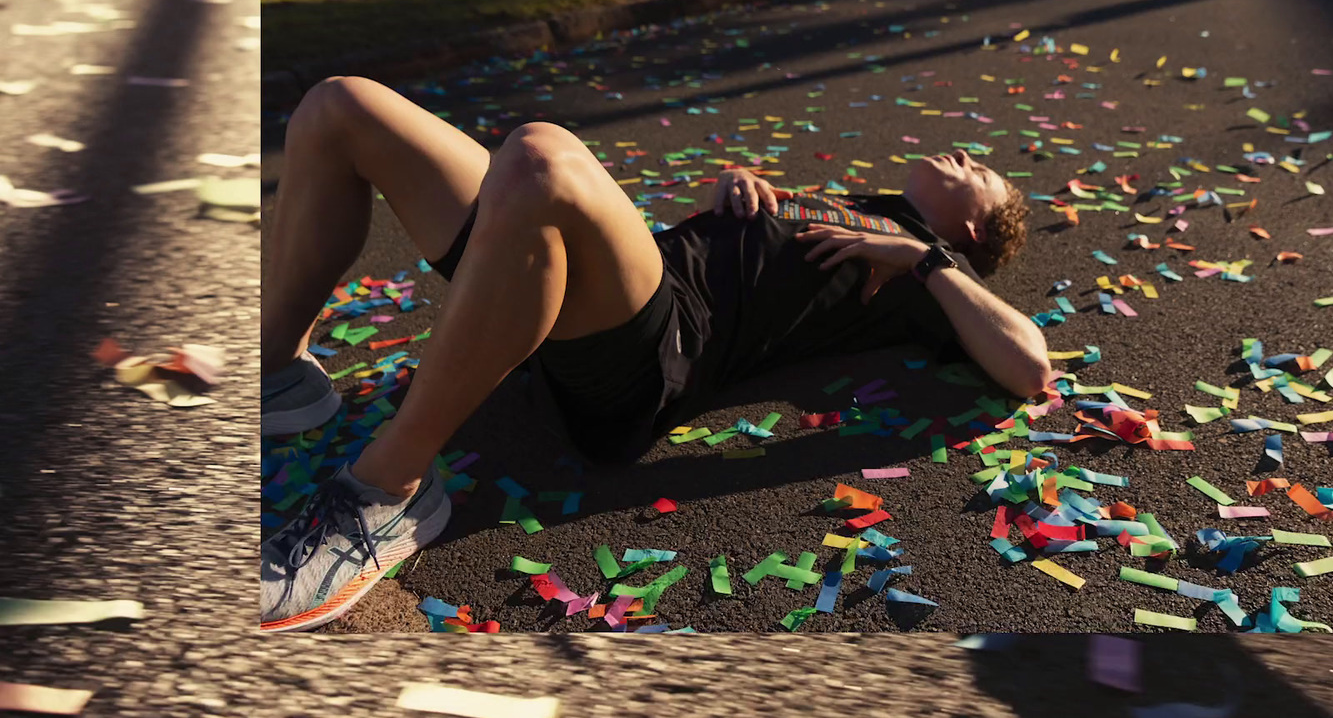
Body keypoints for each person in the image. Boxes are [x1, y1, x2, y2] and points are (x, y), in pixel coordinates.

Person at [260, 75, 1047, 631]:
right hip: (611, 288)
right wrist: (734, 190)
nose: (961, 156)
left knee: (540, 155)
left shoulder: (926, 268)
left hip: (658, 353)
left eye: (979, 174)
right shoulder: (866, 210)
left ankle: (384, 491)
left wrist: (926, 260)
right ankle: (279, 373)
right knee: (341, 106)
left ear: (976, 232)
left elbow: (1030, 364)